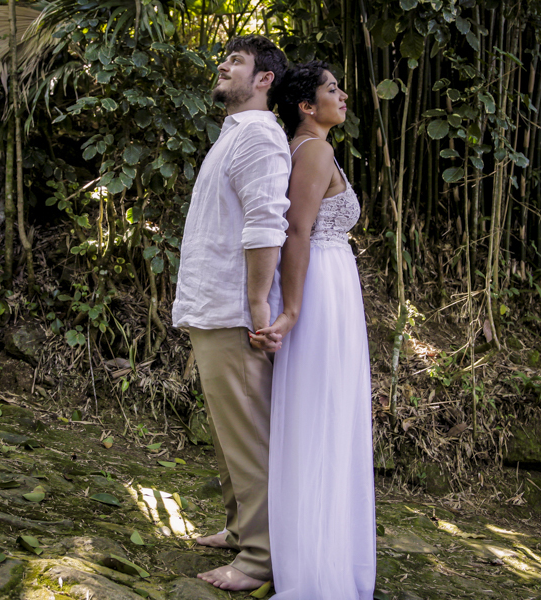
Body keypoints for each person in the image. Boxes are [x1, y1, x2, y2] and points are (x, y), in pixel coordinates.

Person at [171, 35, 289, 591]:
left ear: (264, 78)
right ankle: (240, 530)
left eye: (236, 61)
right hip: (211, 306)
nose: (222, 64)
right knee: (225, 433)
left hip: (234, 312)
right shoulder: (235, 134)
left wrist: (257, 305)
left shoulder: (261, 137)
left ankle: (260, 559)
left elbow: (267, 225)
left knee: (246, 438)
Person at [255, 61, 376, 599]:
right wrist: (294, 309)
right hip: (320, 289)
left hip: (331, 284)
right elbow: (297, 231)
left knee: (327, 410)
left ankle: (323, 551)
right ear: (307, 106)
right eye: (332, 89)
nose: (343, 95)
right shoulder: (314, 150)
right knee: (321, 411)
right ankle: (315, 567)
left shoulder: (308, 148)